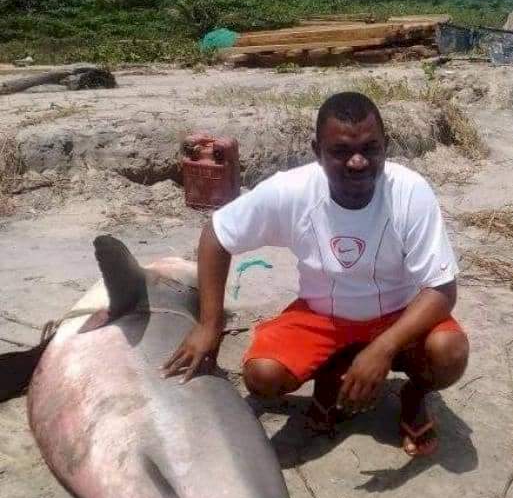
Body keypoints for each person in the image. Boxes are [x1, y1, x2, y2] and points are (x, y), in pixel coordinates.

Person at [164, 92, 469, 457]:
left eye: (370, 149)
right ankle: (330, 379)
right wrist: (209, 325)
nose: (357, 162)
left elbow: (441, 287)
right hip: (322, 315)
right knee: (262, 375)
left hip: (398, 313)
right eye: (340, 151)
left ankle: (413, 396)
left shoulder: (409, 191)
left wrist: (383, 347)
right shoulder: (291, 190)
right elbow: (217, 235)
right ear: (316, 150)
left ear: (386, 146)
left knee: (449, 352)